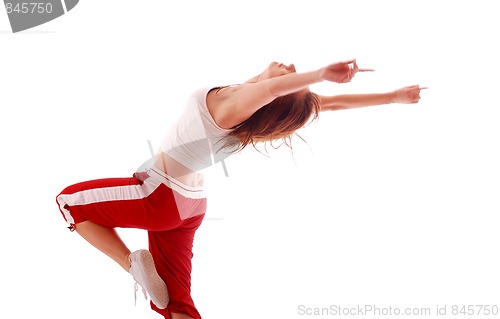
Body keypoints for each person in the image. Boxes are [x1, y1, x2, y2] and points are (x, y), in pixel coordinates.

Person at [55, 59, 424, 319]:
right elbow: (330, 104)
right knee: (176, 302)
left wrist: (322, 73)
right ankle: (164, 295)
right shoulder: (249, 118)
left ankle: (130, 264)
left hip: (160, 195)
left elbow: (275, 88)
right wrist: (393, 96)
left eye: (295, 79)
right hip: (191, 205)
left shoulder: (233, 108)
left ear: (270, 99)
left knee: (69, 202)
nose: (292, 68)